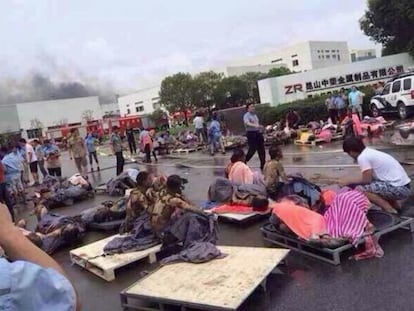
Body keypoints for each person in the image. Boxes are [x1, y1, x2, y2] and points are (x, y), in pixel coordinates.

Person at [0, 203, 79, 310]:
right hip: (44, 235)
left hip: (45, 231)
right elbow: (68, 297)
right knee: (70, 227)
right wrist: (9, 232)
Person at [340, 137, 411, 214]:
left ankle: (389, 210)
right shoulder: (369, 152)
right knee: (376, 186)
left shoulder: (362, 157)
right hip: (404, 186)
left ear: (351, 152)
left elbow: (366, 179)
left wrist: (348, 181)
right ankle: (396, 207)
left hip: (399, 189)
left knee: (361, 189)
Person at [243, 103, 266, 170]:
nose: (253, 108)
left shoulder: (255, 116)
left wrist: (260, 128)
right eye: (251, 107)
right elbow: (247, 123)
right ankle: (244, 160)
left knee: (261, 149)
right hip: (251, 133)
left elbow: (257, 125)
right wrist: (256, 125)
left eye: (253, 106)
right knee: (252, 149)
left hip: (258, 133)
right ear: (248, 109)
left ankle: (263, 165)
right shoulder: (246, 115)